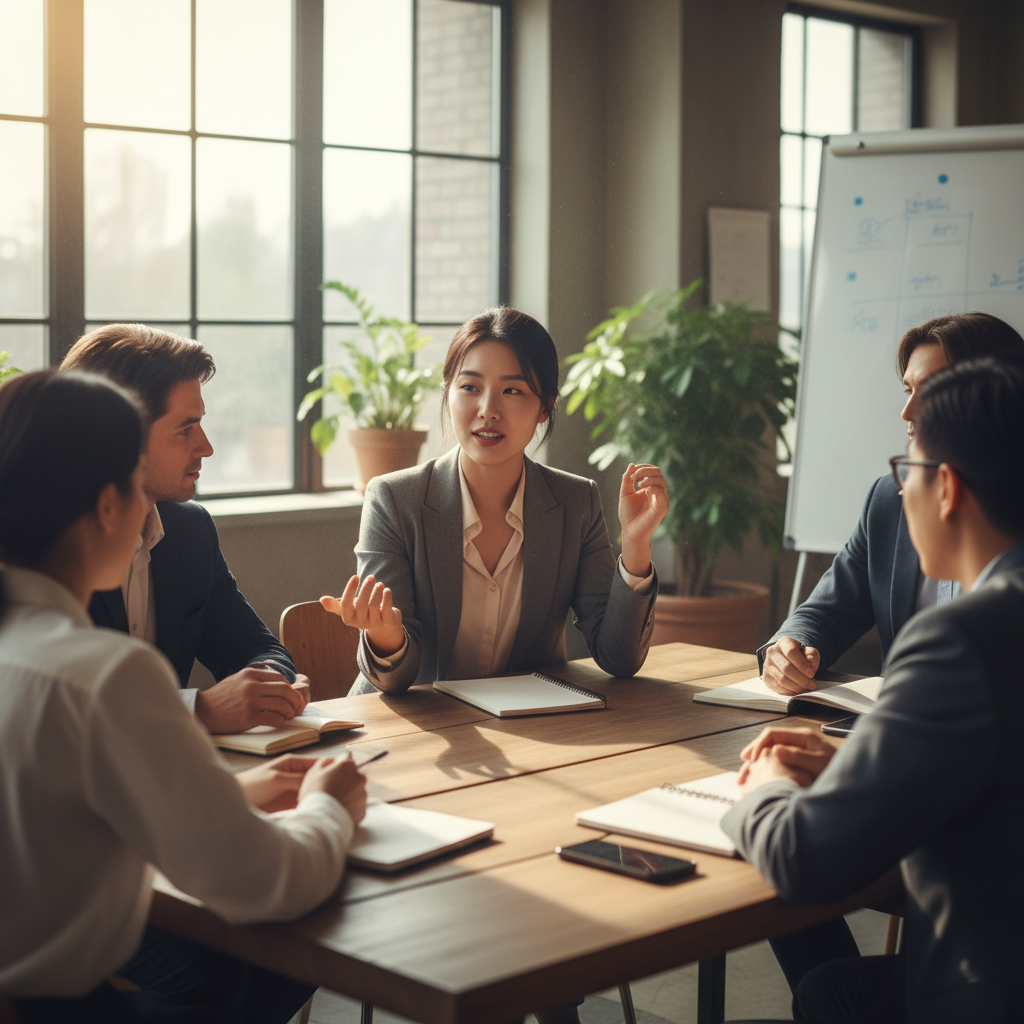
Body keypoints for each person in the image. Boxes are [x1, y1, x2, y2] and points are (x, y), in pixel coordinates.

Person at [0, 370, 367, 1023]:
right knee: (285, 957)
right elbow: (270, 883)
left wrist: (231, 796)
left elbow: (60, 811)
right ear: (109, 506)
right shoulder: (103, 674)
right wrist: (328, 807)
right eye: (135, 485)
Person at [723, 356, 1024, 1024]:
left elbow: (804, 860)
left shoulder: (960, 638)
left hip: (987, 991)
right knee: (829, 990)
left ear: (946, 489)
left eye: (907, 469)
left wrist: (762, 786)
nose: (899, 489)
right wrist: (859, 768)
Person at [323, 306, 668, 697]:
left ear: (545, 407)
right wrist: (386, 637)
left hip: (525, 722)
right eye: (470, 387)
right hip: (412, 725)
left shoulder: (576, 502)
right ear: (447, 393)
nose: (487, 410)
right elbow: (394, 682)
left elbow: (618, 658)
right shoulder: (394, 500)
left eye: (512, 390)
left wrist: (636, 545)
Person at [758, 311, 1024, 699]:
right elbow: (829, 610)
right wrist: (789, 650)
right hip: (900, 720)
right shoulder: (891, 497)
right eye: (908, 390)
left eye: (931, 391)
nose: (908, 412)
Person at [60, 324, 310, 735]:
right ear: (120, 438)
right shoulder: (44, 546)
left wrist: (266, 684)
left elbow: (255, 647)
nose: (206, 447)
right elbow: (54, 706)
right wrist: (199, 710)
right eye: (185, 429)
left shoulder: (189, 529)